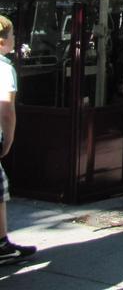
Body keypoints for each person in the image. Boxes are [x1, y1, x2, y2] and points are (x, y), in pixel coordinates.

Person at [0, 16, 35, 264]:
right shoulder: (4, 69)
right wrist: (8, 139)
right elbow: (6, 111)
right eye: (12, 35)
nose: (15, 40)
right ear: (2, 41)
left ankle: (2, 243)